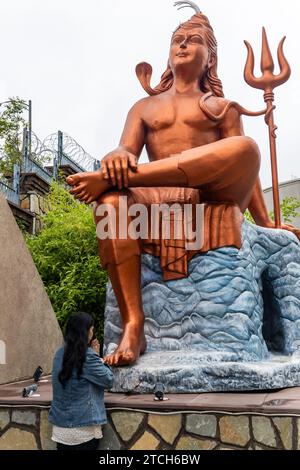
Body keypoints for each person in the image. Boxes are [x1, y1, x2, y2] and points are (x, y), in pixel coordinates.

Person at [66, 3, 300, 368]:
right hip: (158, 197)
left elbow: (246, 170)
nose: (183, 45)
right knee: (110, 205)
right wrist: (116, 156)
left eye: (193, 40)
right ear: (169, 53)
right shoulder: (144, 107)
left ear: (210, 59)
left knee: (246, 148)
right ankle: (134, 323)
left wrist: (266, 222)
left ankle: (128, 180)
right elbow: (126, 150)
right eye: (178, 40)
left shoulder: (222, 106)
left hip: (211, 193)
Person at [49, 312, 114, 450]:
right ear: (85, 332)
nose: (92, 332)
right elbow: (108, 380)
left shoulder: (59, 354)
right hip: (82, 430)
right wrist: (98, 357)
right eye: (91, 329)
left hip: (61, 429)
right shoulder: (88, 356)